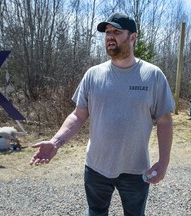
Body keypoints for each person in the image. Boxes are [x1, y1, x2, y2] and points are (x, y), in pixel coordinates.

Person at [30, 12, 175, 216]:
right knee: (96, 212)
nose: (109, 36)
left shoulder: (152, 75)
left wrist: (163, 162)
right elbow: (78, 115)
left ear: (132, 37)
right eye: (107, 32)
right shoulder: (93, 74)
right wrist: (55, 142)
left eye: (116, 31)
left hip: (135, 169)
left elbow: (164, 121)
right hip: (96, 168)